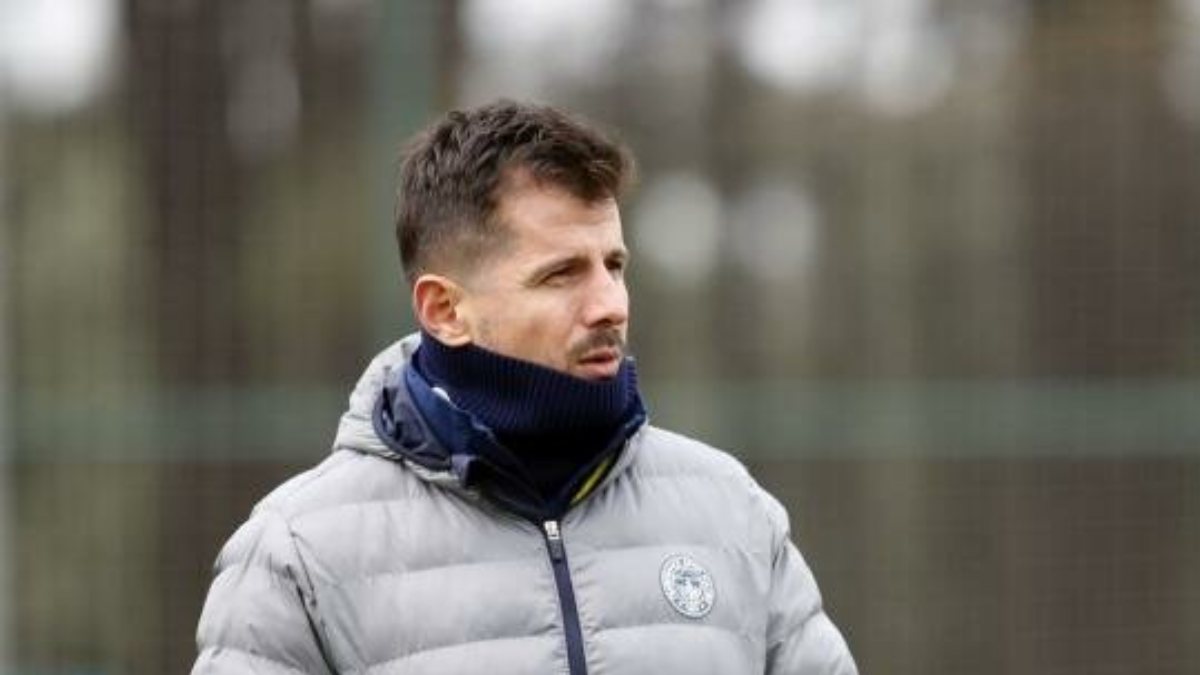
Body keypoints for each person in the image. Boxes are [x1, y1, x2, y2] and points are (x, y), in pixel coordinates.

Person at [192, 100, 857, 675]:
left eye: (614, 265)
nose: (610, 304)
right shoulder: (298, 554)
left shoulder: (732, 515)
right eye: (562, 274)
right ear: (444, 310)